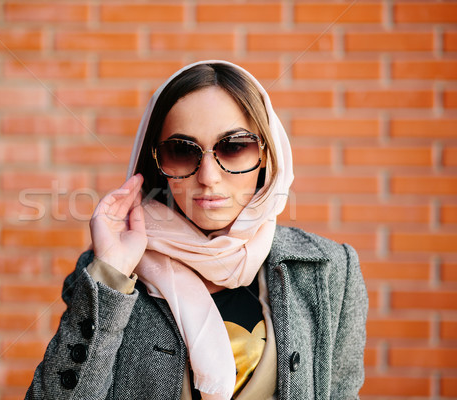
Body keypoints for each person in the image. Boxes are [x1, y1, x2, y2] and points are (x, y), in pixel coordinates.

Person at [25, 60, 368, 400]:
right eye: (182, 150)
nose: (208, 177)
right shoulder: (112, 272)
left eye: (234, 146)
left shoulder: (328, 269)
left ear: (266, 153)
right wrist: (111, 274)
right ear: (157, 162)